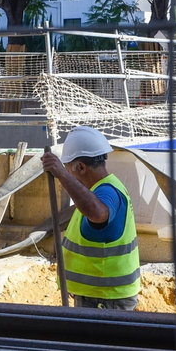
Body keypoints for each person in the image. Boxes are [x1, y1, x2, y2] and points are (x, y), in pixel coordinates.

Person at [40, 126, 140, 309]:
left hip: (107, 300)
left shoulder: (108, 192)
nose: (67, 172)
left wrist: (61, 174)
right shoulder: (98, 191)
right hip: (98, 296)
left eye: (68, 168)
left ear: (80, 167)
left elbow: (98, 213)